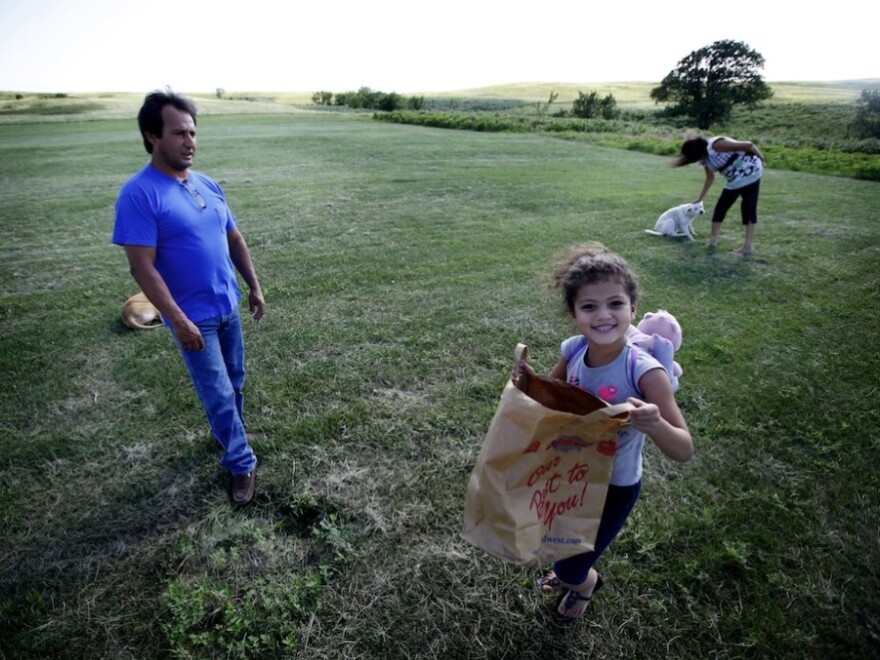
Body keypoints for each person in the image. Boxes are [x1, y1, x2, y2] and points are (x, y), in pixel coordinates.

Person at [519, 243, 693, 620]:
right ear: (573, 313)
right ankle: (570, 570)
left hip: (614, 485)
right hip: (570, 471)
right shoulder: (574, 349)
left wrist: (656, 423)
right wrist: (532, 387)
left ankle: (584, 584)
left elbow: (684, 448)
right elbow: (557, 392)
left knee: (573, 563)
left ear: (633, 308)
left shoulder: (646, 372)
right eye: (589, 307)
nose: (603, 316)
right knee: (557, 540)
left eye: (615, 304)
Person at [112, 90, 265, 506]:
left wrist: (253, 284)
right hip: (192, 319)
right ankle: (240, 463)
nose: (190, 141)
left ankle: (232, 436)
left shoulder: (207, 184)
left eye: (193, 132)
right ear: (152, 135)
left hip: (227, 306)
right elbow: (142, 268)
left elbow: (233, 236)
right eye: (179, 133)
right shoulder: (139, 194)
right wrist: (177, 319)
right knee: (216, 391)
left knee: (234, 383)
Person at [673, 136, 765, 255]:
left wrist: (761, 157)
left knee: (748, 208)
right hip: (734, 180)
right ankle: (712, 242)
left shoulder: (716, 145)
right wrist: (700, 198)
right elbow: (710, 178)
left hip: (751, 171)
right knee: (720, 208)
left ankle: (747, 247)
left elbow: (748, 145)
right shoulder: (705, 159)